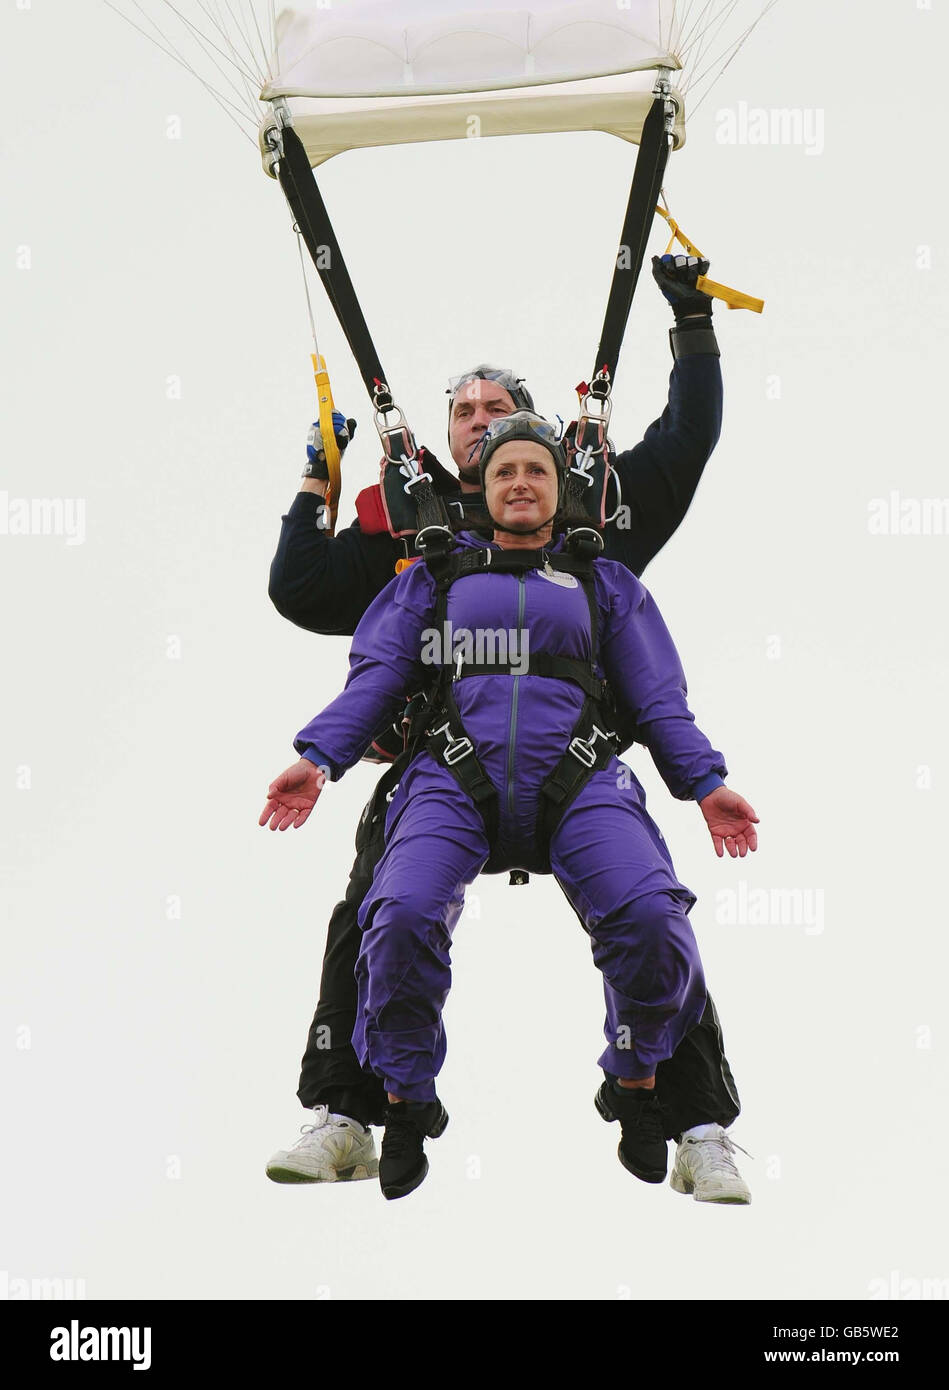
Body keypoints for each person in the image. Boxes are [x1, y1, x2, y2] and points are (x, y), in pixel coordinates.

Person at [265, 256, 752, 1202]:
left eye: (503, 410)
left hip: (575, 760)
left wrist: (691, 324)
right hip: (440, 764)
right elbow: (299, 590)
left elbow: (685, 440)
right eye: (466, 413)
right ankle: (352, 1111)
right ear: (453, 445)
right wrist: (315, 479)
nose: (484, 424)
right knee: (374, 913)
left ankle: (687, 1118)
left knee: (654, 912)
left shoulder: (590, 527)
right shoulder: (416, 541)